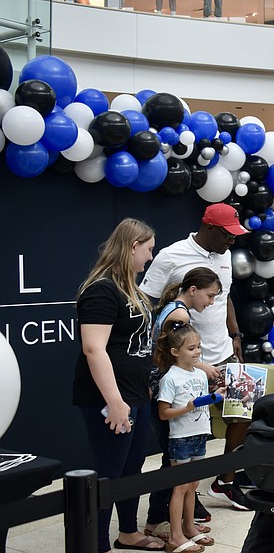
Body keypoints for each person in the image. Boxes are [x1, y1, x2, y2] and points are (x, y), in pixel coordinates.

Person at [140, 203, 251, 511]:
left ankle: (225, 483)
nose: (232, 242)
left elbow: (224, 297)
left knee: (243, 414)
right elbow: (147, 304)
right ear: (210, 229)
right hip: (187, 363)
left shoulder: (225, 255)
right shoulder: (171, 256)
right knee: (189, 431)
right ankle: (184, 499)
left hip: (225, 351)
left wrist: (236, 334)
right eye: (227, 235)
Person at [72, 218, 163, 553]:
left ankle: (128, 532)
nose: (150, 257)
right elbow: (94, 348)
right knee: (108, 472)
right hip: (110, 398)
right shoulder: (102, 289)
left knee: (131, 466)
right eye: (148, 250)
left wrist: (143, 387)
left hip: (135, 393)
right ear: (132, 246)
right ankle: (95, 544)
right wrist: (115, 400)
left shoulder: (130, 289)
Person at [146, 268, 222, 538]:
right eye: (209, 296)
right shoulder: (180, 315)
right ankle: (161, 520)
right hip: (171, 396)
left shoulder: (172, 309)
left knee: (182, 471)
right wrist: (203, 366)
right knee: (173, 466)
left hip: (176, 396)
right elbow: (173, 352)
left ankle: (180, 523)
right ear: (193, 290)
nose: (210, 302)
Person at [156, 323, 224, 553]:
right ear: (175, 352)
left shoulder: (200, 374)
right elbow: (163, 413)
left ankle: (189, 526)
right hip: (181, 437)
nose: (197, 352)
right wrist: (188, 407)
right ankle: (175, 536)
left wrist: (216, 397)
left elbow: (201, 401)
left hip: (199, 434)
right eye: (191, 348)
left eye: (198, 347)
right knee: (181, 486)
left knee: (192, 484)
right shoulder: (170, 378)